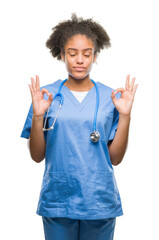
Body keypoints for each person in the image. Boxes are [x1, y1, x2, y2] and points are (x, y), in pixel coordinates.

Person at [21, 13, 138, 240]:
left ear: (95, 56)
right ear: (62, 54)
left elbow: (115, 158)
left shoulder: (110, 97)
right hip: (58, 199)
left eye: (87, 54)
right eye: (73, 54)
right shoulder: (46, 96)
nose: (80, 60)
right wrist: (37, 116)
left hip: (99, 200)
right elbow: (37, 156)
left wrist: (125, 116)